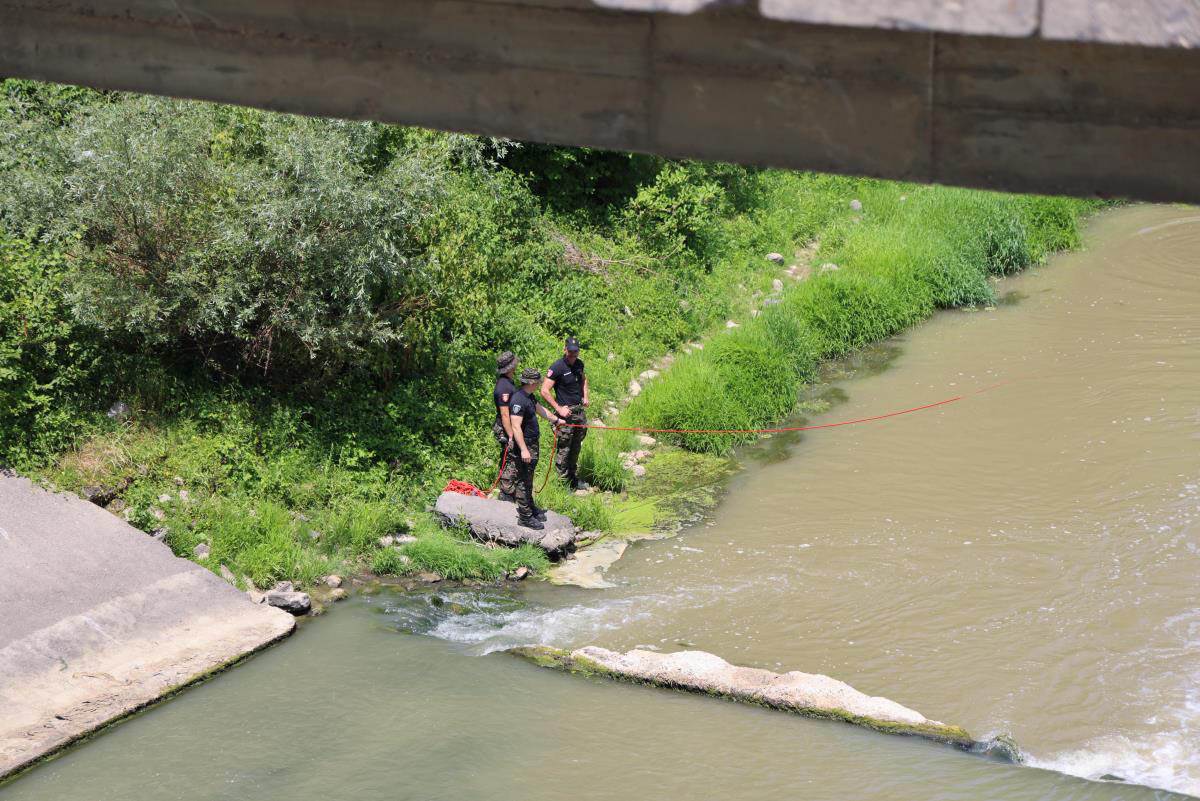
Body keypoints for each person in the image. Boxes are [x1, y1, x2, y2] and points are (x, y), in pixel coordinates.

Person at [509, 367, 565, 529]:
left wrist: (556, 420)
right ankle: (525, 517)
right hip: (525, 445)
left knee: (529, 478)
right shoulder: (518, 400)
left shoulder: (529, 397)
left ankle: (530, 507)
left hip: (532, 443)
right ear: (531, 382)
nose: (539, 384)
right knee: (523, 479)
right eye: (538, 382)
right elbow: (516, 427)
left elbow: (541, 410)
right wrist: (524, 449)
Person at [541, 336, 589, 489]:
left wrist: (585, 396)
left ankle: (572, 479)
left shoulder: (579, 364)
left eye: (575, 352)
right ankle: (562, 484)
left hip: (579, 413)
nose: (573, 355)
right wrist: (559, 408)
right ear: (565, 349)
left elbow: (584, 380)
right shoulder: (557, 367)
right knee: (564, 449)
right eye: (570, 351)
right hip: (565, 415)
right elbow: (544, 390)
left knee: (576, 446)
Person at [492, 351, 520, 503]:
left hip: (510, 426)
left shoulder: (508, 382)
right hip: (505, 428)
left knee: (512, 458)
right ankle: (506, 494)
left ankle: (510, 491)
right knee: (510, 459)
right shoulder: (503, 386)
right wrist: (511, 435)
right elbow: (504, 414)